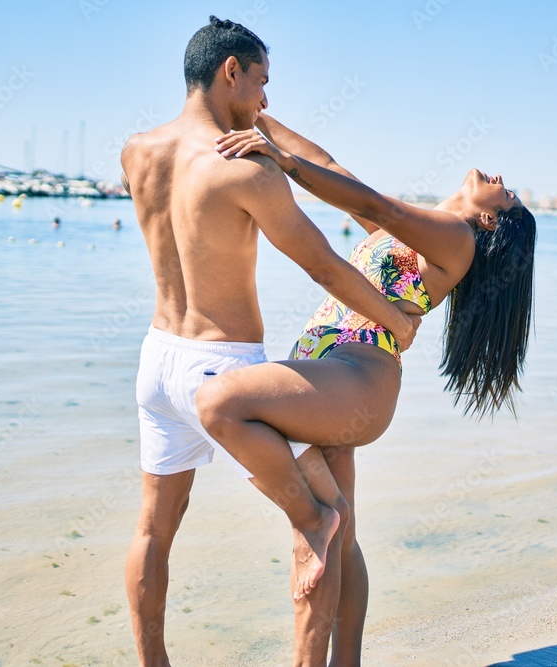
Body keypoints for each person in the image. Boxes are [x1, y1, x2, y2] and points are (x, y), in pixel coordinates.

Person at [119, 17, 420, 667]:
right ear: (232, 70)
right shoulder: (247, 172)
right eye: (261, 83)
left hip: (156, 359)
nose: (264, 102)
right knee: (324, 517)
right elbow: (325, 266)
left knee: (152, 529)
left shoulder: (136, 152)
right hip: (225, 368)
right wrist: (394, 319)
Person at [195, 113, 537, 665]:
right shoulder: (413, 234)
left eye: (509, 194)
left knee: (221, 402)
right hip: (332, 372)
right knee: (344, 538)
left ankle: (312, 519)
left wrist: (283, 163)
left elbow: (375, 204)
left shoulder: (455, 238)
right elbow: (336, 172)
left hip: (357, 378)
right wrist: (259, 119)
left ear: (492, 222)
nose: (501, 179)